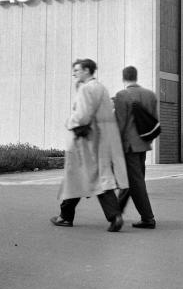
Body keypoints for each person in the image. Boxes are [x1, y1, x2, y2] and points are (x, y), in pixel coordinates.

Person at [51, 59, 129, 232]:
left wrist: (69, 122)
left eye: (77, 70)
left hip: (84, 140)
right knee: (99, 178)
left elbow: (82, 116)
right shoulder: (101, 87)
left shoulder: (86, 89)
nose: (74, 74)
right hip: (101, 139)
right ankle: (114, 216)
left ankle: (65, 216)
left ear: (87, 70)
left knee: (75, 178)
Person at [113, 66, 157, 229]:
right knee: (134, 180)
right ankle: (116, 212)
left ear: (124, 78)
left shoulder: (122, 95)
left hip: (129, 146)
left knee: (135, 182)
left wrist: (116, 146)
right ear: (136, 77)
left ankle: (148, 218)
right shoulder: (150, 95)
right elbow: (154, 121)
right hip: (143, 145)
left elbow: (120, 124)